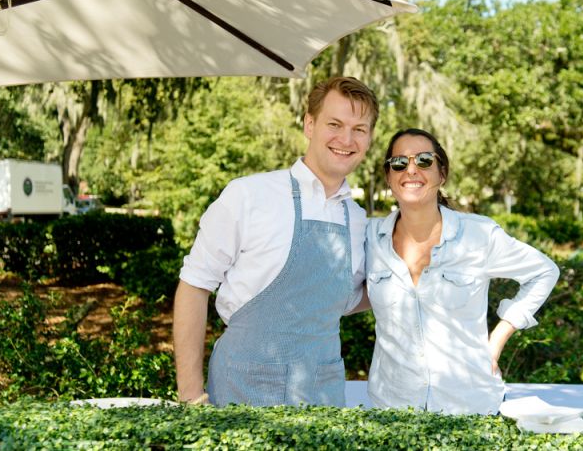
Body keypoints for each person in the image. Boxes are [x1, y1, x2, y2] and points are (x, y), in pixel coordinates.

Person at [173, 77, 378, 407]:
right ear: (310, 124)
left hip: (322, 395)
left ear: (369, 138)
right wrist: (191, 395)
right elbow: (194, 286)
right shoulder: (248, 195)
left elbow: (344, 298)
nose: (346, 138)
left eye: (359, 129)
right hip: (241, 389)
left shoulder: (355, 220)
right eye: (335, 124)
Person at [365, 128, 560, 415]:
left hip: (470, 406)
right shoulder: (369, 238)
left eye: (423, 160)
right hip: (392, 408)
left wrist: (497, 339)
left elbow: (544, 271)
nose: (411, 170)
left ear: (441, 173)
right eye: (399, 162)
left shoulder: (478, 234)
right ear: (389, 177)